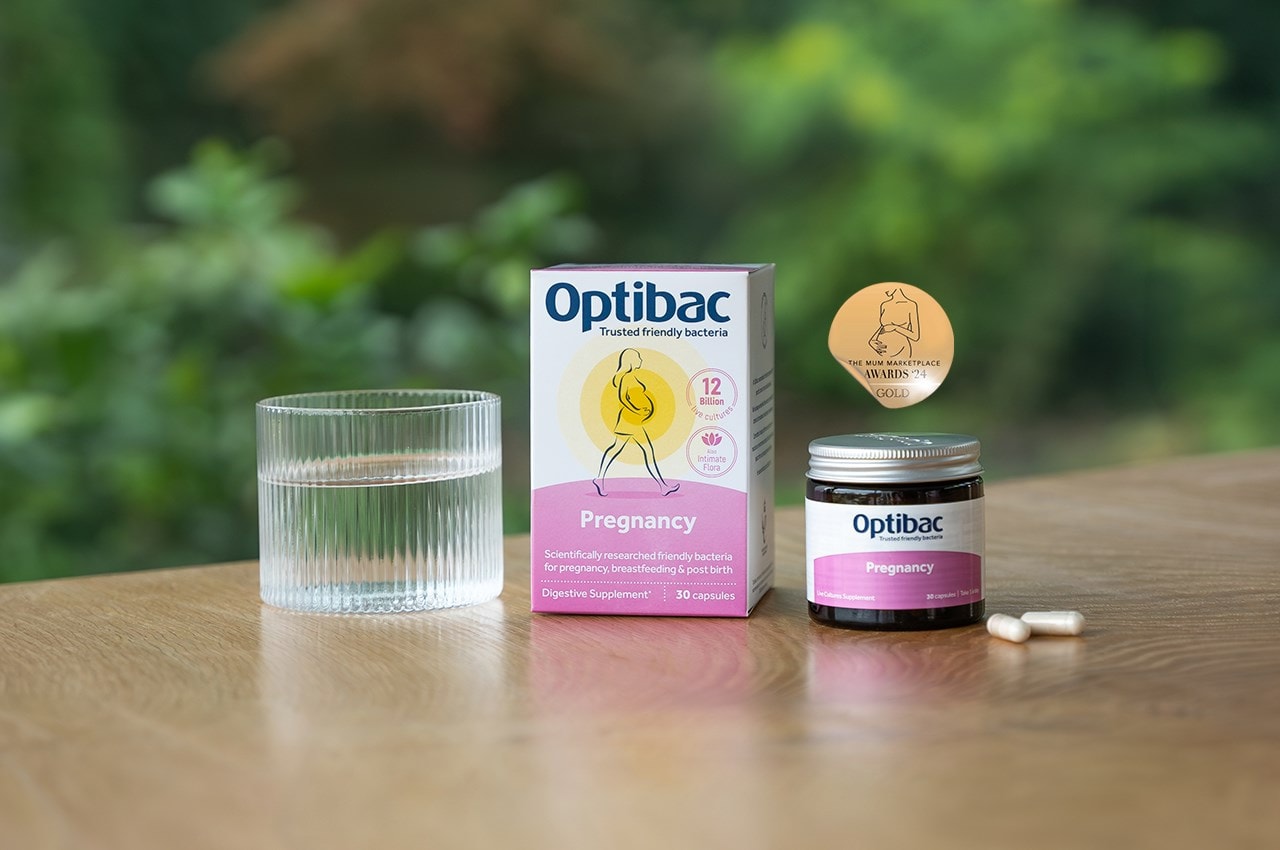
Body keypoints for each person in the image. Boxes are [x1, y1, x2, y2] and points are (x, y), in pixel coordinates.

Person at [593, 348, 679, 496]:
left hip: (633, 419)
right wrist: (637, 410)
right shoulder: (627, 377)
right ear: (631, 360)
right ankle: (663, 486)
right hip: (630, 420)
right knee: (645, 451)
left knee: (618, 448)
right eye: (638, 358)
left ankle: (599, 479)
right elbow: (623, 398)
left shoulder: (630, 376)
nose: (641, 360)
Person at [868, 287, 921, 358]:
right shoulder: (884, 305)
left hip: (901, 351)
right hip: (881, 352)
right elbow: (883, 327)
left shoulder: (911, 305)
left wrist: (895, 327)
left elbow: (915, 336)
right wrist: (872, 341)